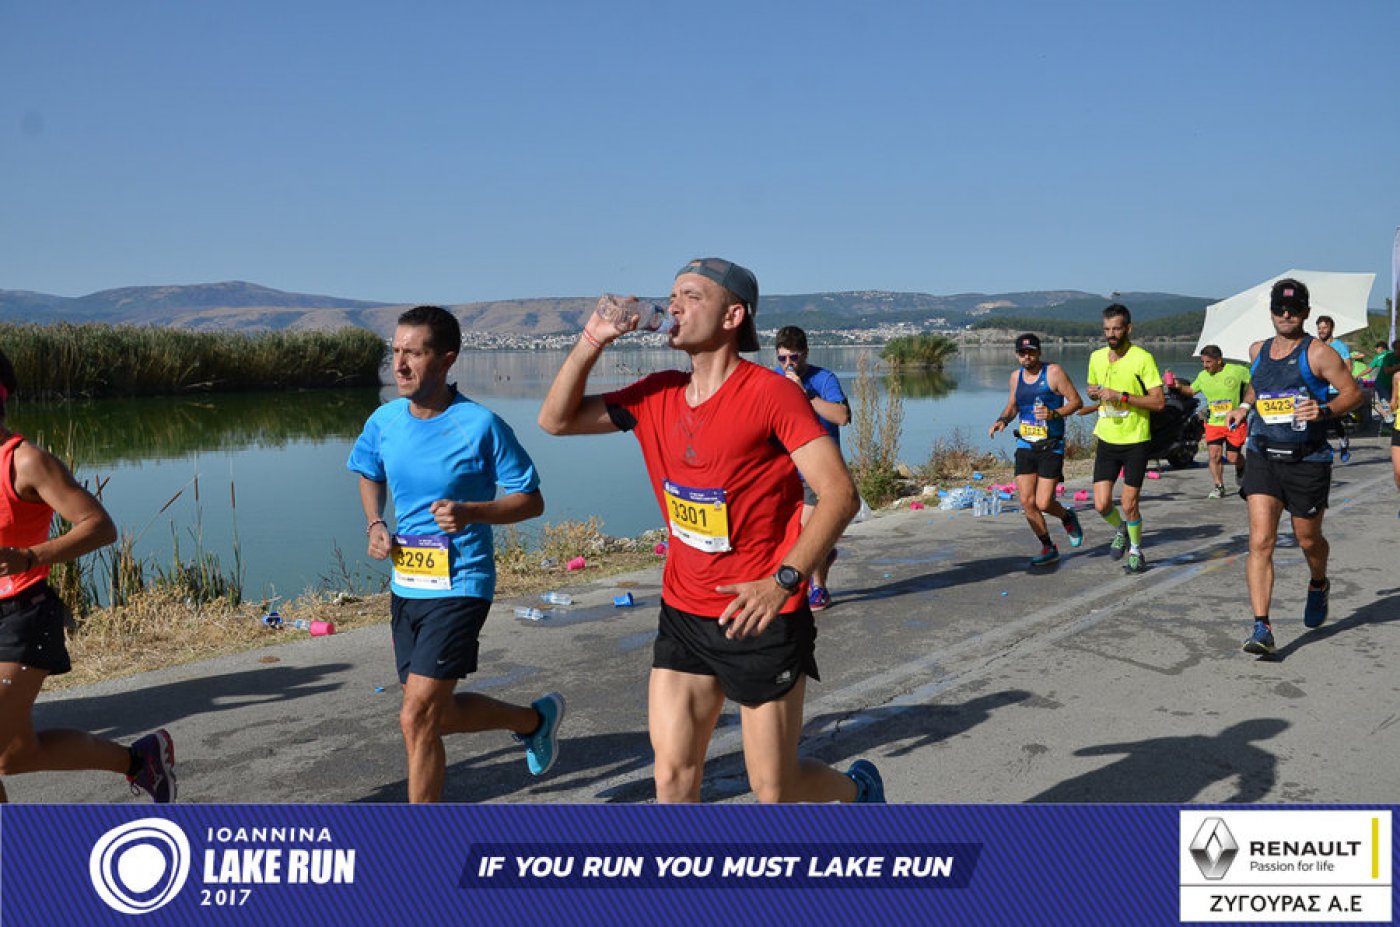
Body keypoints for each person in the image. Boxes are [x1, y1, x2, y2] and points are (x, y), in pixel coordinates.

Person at [538, 257, 883, 804]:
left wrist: (783, 581)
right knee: (672, 779)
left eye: (692, 295)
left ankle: (857, 793)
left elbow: (840, 494)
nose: (673, 305)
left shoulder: (772, 394)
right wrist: (593, 339)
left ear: (732, 316)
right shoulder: (656, 394)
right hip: (685, 612)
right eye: (672, 294)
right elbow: (555, 420)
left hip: (760, 614)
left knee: (775, 790)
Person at [348, 305, 563, 803]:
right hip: (407, 583)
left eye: (413, 353)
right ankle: (533, 722)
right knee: (433, 716)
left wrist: (472, 513)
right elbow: (369, 472)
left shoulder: (479, 425)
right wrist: (376, 522)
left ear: (446, 360)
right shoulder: (384, 420)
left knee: (416, 717)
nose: (399, 364)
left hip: (462, 582)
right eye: (395, 351)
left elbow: (531, 499)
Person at [0, 349, 175, 803]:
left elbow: (99, 526)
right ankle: (140, 760)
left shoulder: (25, 462)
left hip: (22, 614)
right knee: (14, 756)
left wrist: (29, 556)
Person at [1225, 279, 1360, 656]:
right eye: (1280, 309)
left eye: (1294, 309)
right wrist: (1244, 408)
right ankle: (1261, 627)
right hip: (1263, 455)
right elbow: (1257, 385)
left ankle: (1318, 582)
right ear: (1271, 311)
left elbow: (1353, 394)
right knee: (1260, 541)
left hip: (1307, 460)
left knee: (1308, 539)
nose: (1286, 314)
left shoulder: (1319, 353)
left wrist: (1324, 409)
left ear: (1306, 312)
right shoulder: (1257, 350)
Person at [988, 333, 1084, 567]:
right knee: (1027, 502)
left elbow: (1076, 402)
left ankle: (1066, 516)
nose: (1027, 357)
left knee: (1043, 502)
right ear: (1017, 355)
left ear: (1039, 352)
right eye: (1022, 353)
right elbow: (1013, 406)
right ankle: (1048, 547)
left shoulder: (1053, 372)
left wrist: (1054, 413)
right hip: (1025, 444)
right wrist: (1002, 420)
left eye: (1031, 352)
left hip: (1051, 445)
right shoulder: (1015, 377)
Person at [1081, 304, 1165, 574]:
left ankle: (1136, 551)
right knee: (1101, 504)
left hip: (1135, 440)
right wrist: (1093, 393)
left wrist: (1122, 396)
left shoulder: (1142, 358)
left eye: (1116, 329)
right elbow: (1094, 389)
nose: (1111, 334)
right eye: (1107, 329)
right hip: (1107, 438)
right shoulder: (1096, 357)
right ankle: (1121, 530)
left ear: (1128, 328)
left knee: (1129, 504)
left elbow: (1158, 402)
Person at [772, 326, 850, 609]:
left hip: (818, 470)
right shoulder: (773, 380)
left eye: (793, 358)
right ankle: (824, 556)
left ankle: (818, 588)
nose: (788, 364)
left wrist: (805, 394)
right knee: (785, 535)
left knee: (808, 533)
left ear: (805, 353)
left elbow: (842, 417)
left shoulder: (823, 379)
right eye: (782, 359)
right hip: (784, 470)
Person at [1169, 345, 1250, 499]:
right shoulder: (1203, 376)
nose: (1205, 365)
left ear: (1219, 360)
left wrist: (1246, 405)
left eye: (1208, 362)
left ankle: (1242, 466)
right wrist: (1177, 386)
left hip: (1234, 422)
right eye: (1203, 362)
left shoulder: (1237, 370)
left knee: (1232, 457)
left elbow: (1256, 382)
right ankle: (1219, 486)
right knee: (1214, 455)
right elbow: (1191, 391)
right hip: (1213, 423)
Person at [1314, 316, 1352, 462]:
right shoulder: (1317, 346)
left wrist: (1342, 384)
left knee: (1335, 419)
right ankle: (1322, 449)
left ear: (1332, 328)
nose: (1321, 331)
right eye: (1319, 328)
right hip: (1319, 389)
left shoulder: (1339, 346)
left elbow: (1348, 366)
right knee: (1318, 419)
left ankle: (1343, 441)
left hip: (1334, 390)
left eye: (1325, 327)